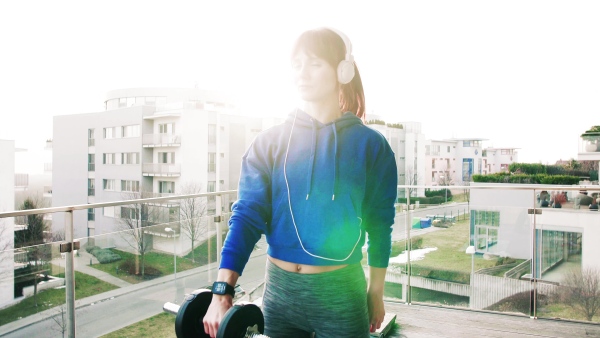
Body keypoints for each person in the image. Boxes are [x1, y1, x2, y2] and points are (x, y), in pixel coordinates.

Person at [203, 27, 398, 338]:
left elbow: (380, 225)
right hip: (280, 295)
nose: (302, 74)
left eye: (315, 63)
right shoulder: (268, 143)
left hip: (341, 295)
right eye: (296, 64)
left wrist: (376, 291)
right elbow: (246, 217)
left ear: (342, 71)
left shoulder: (372, 147)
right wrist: (221, 290)